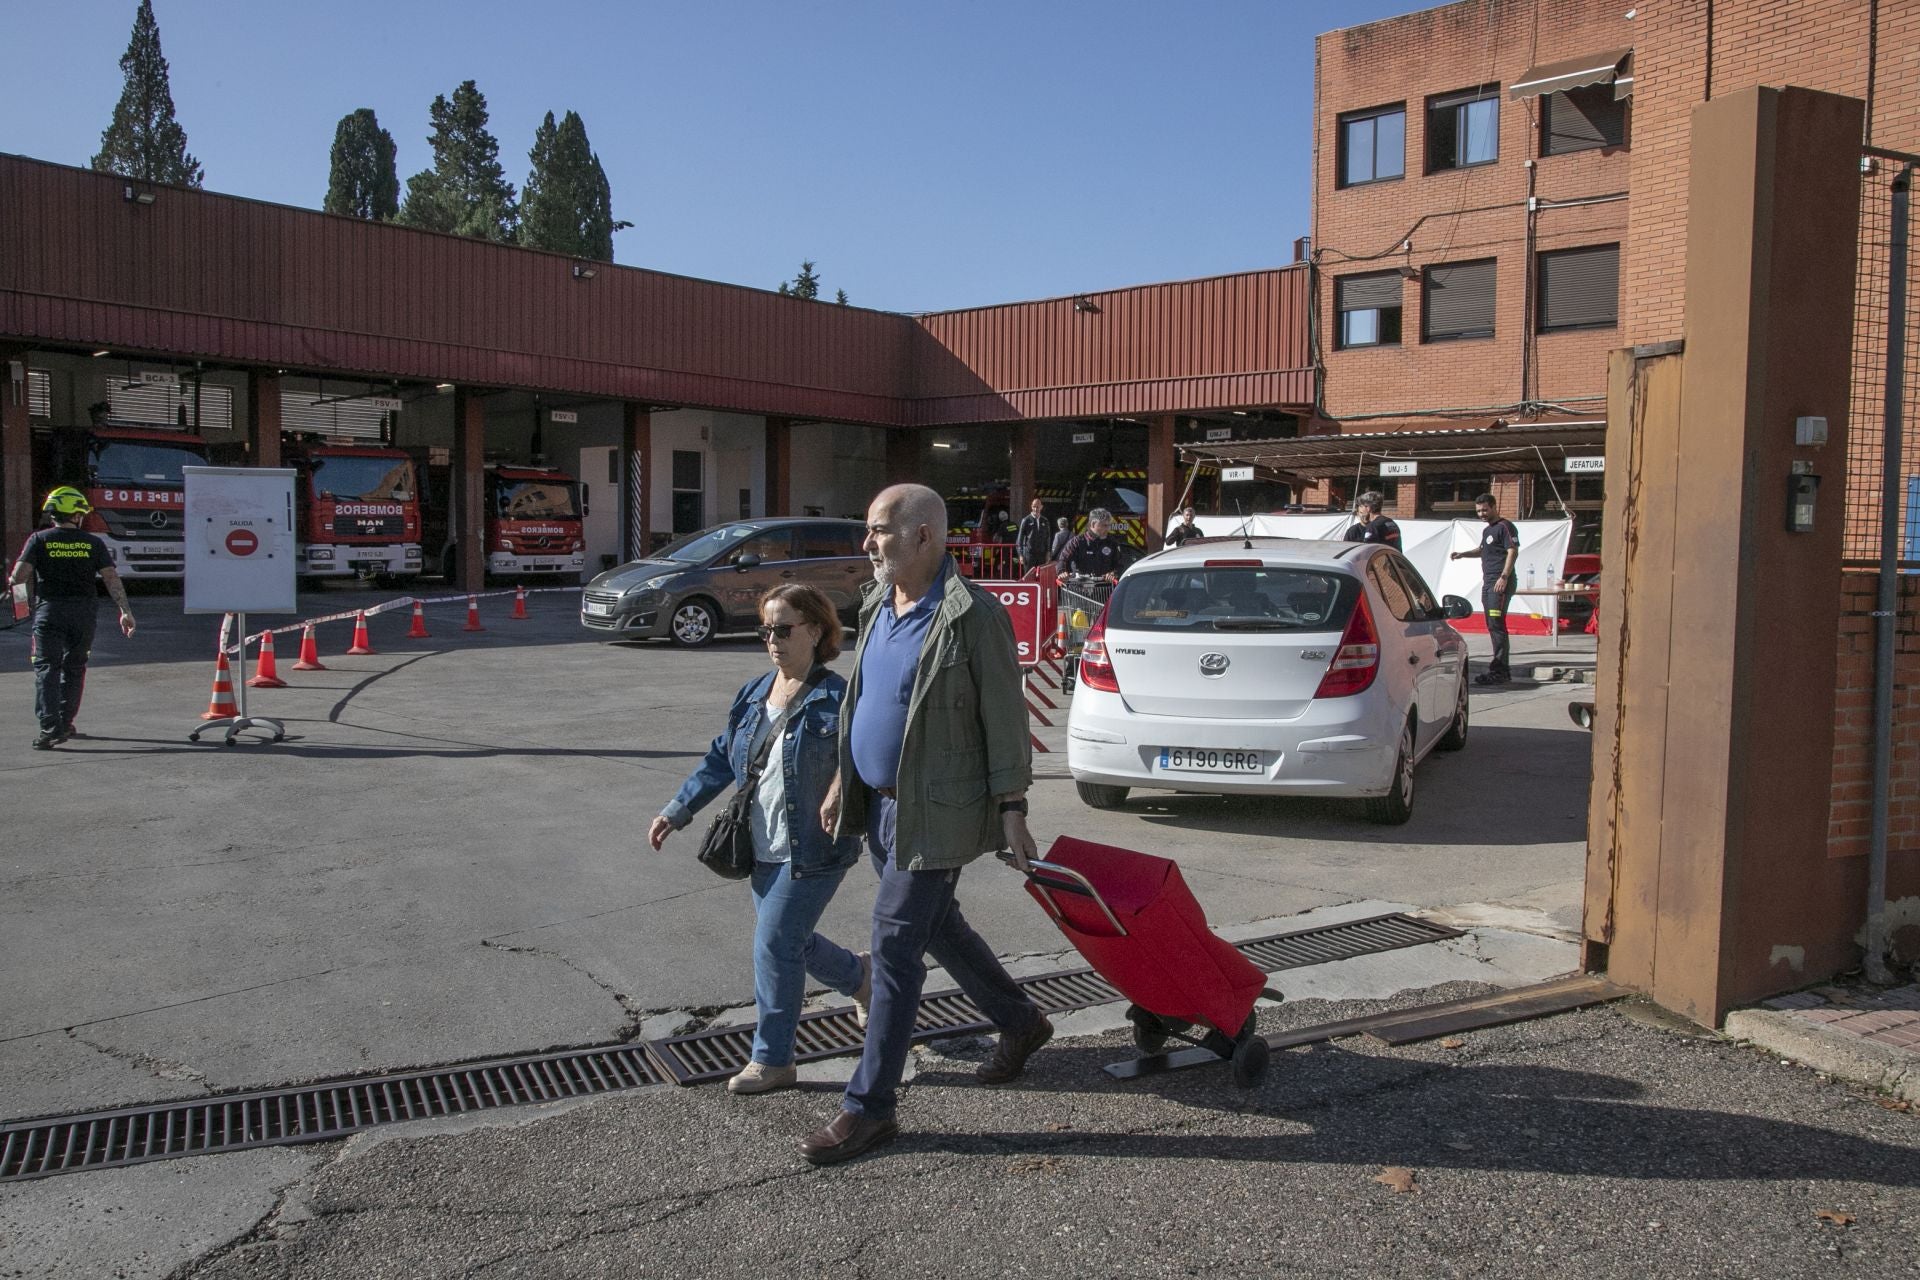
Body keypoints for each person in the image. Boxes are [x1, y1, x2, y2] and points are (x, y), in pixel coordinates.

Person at [799, 483, 1050, 1166]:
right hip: (880, 805)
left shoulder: (973, 618)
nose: (868, 543)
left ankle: (870, 1107)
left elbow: (1006, 720)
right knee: (940, 926)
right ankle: (1020, 1022)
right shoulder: (880, 601)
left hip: (935, 811)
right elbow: (867, 699)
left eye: (879, 529)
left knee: (896, 948)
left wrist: (1012, 808)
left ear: (923, 536)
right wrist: (840, 780)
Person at [648, 583, 870, 1095]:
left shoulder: (837, 698)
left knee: (773, 943)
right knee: (790, 941)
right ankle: (861, 978)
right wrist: (677, 810)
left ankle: (773, 1060)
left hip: (815, 848)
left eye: (784, 629)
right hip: (760, 845)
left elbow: (865, 754)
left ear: (815, 631)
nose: (773, 640)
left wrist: (839, 788)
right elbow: (721, 760)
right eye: (766, 629)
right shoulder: (752, 694)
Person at [8, 486, 135, 750]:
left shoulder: (39, 540)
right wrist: (125, 611)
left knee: (47, 668)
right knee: (75, 667)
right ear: (75, 514)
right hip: (83, 614)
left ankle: (49, 728)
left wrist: (21, 605)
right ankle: (65, 723)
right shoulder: (93, 543)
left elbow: (18, 578)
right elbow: (111, 578)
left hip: (50, 612)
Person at [1450, 491, 1521, 685]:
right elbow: (1482, 550)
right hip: (1488, 582)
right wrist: (1462, 554)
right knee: (1491, 623)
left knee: (1497, 624)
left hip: (1499, 583)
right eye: (1478, 511)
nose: (1481, 514)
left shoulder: (1505, 526)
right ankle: (1499, 667)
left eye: (1484, 510)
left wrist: (1504, 577)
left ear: (1494, 507)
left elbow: (1512, 551)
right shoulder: (1487, 531)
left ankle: (1500, 669)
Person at [1055, 507, 1131, 582]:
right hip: (1079, 588)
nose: (1108, 529)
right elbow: (1062, 559)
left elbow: (1120, 564)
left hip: (1104, 588)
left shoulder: (1112, 542)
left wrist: (1114, 573)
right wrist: (1062, 572)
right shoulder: (1076, 542)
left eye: (1109, 525)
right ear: (1093, 524)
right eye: (1104, 525)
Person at [1015, 498, 1051, 572]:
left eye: (1037, 507)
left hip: (1041, 555)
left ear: (1041, 507)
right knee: (1029, 578)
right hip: (1029, 555)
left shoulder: (1045, 521)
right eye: (1034, 506)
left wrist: (1048, 552)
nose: (1035, 509)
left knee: (1041, 577)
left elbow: (1047, 538)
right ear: (1031, 507)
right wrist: (1021, 555)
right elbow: (1020, 539)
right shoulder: (1026, 520)